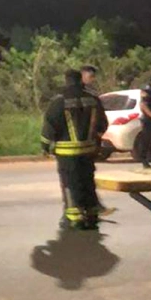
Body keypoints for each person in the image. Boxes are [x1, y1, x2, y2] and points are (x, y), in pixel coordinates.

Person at [41, 69, 110, 230]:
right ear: (80, 80)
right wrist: (94, 139)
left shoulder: (59, 101)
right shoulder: (93, 99)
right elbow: (103, 124)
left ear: (66, 81)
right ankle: (91, 214)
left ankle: (75, 217)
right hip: (88, 151)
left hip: (67, 153)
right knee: (87, 182)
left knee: (71, 184)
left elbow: (50, 126)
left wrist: (45, 146)